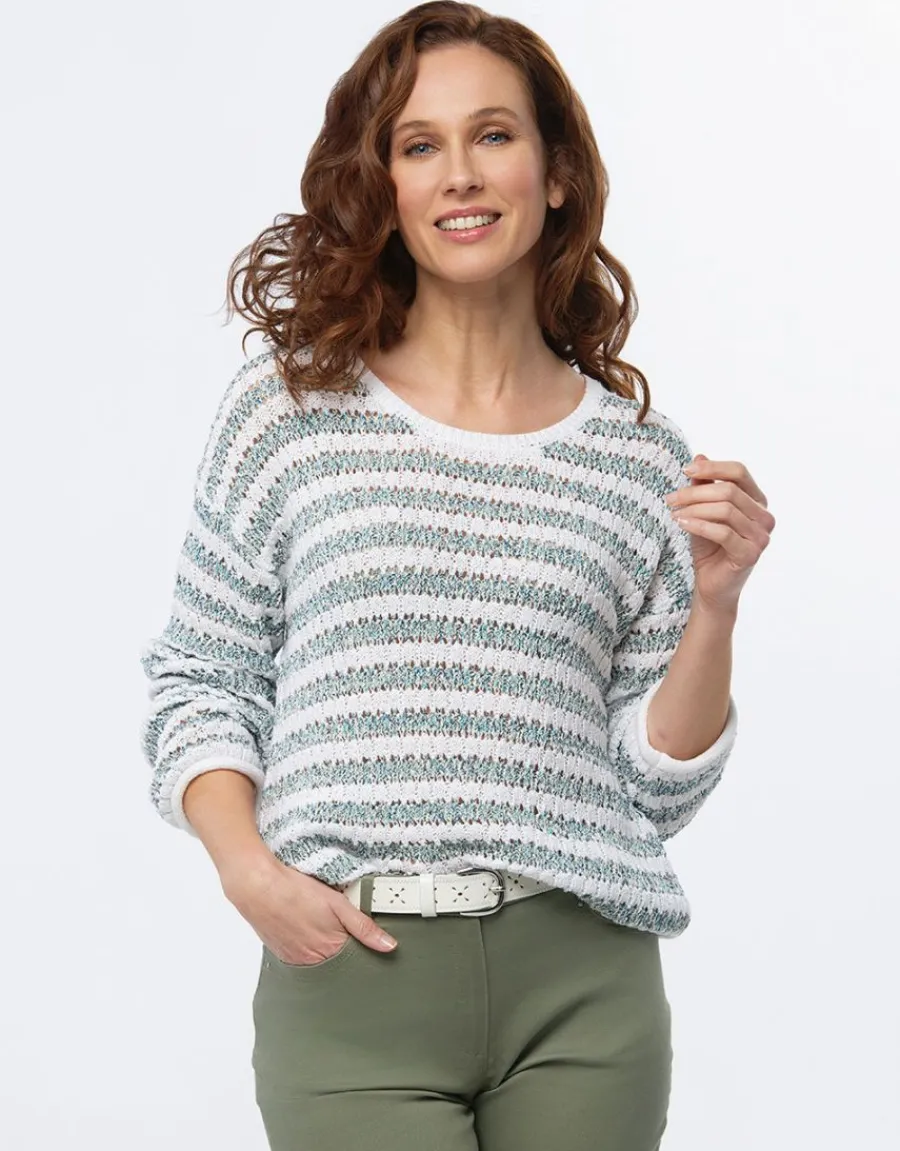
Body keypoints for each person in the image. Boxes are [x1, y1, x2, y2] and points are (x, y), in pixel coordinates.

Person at [138, 3, 774, 1148]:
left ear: (557, 173)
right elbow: (203, 676)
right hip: (351, 978)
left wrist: (716, 605)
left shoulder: (640, 460)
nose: (460, 174)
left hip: (584, 989)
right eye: (419, 144)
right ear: (382, 183)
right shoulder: (290, 412)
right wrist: (246, 868)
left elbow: (653, 789)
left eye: (493, 134)